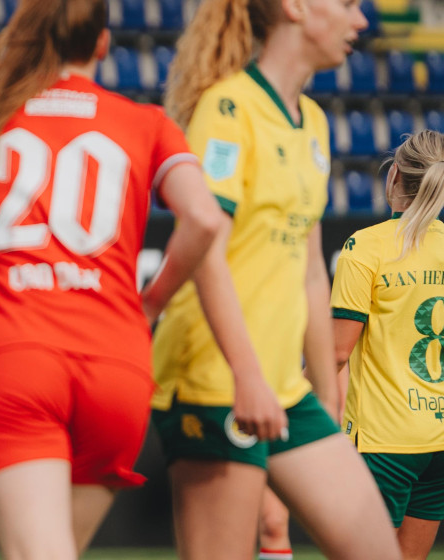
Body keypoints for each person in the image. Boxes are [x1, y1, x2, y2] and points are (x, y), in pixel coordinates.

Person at [0, 1, 226, 557]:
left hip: (20, 357)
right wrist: (152, 303)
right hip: (118, 363)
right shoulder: (147, 123)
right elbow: (206, 219)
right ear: (103, 42)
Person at [151, 0, 400, 558]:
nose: (360, 20)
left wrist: (330, 393)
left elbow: (313, 270)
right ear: (295, 8)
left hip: (286, 389)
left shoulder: (312, 120)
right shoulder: (228, 109)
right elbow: (205, 251)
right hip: (215, 380)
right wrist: (246, 375)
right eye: (347, 4)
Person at [331, 130, 444, 560]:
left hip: (384, 441)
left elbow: (337, 352)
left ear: (393, 175)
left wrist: (292, 400)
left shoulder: (366, 247)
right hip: (438, 437)